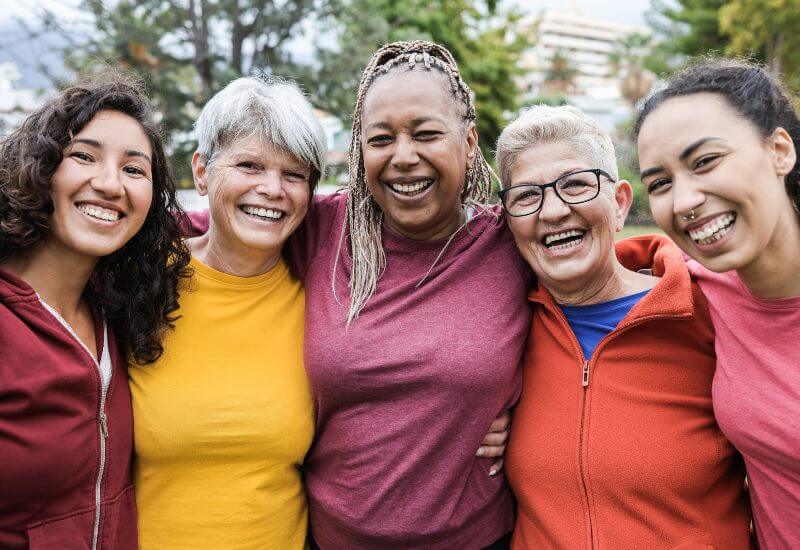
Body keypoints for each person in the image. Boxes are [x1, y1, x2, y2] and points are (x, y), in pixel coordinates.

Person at [186, 41, 529, 548]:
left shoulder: (511, 241)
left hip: (478, 539)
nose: (404, 156)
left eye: (427, 133)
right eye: (381, 138)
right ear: (359, 149)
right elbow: (205, 224)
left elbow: (595, 287)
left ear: (470, 141)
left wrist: (526, 414)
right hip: (331, 539)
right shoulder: (321, 230)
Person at [497, 105, 752, 549]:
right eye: (526, 196)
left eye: (575, 184)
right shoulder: (501, 331)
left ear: (618, 203)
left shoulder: (713, 309)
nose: (553, 211)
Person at [129, 76, 326, 549]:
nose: (272, 189)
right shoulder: (138, 282)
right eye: (249, 165)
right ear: (201, 171)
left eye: (294, 174)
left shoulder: (322, 301)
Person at [0, 73, 189, 549]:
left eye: (134, 169)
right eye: (84, 156)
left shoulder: (119, 313)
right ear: (38, 167)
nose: (109, 184)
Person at [635, 59, 800, 549]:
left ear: (779, 150)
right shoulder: (699, 292)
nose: (684, 199)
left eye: (705, 161)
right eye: (660, 183)